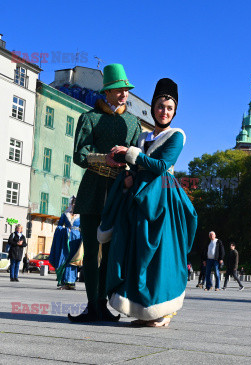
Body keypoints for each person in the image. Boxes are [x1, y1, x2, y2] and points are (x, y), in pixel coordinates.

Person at [98, 78, 197, 327]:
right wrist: (128, 176)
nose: (164, 112)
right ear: (153, 107)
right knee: (137, 253)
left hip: (162, 201)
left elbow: (162, 166)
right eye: (161, 106)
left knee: (160, 255)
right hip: (137, 199)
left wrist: (132, 154)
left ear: (175, 112)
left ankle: (162, 312)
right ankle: (143, 311)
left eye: (169, 108)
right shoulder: (143, 136)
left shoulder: (177, 135)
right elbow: (137, 167)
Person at [69, 63, 142, 322]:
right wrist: (104, 159)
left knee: (111, 253)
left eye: (126, 90)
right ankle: (93, 304)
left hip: (119, 193)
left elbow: (138, 157)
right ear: (107, 92)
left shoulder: (132, 122)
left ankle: (106, 303)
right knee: (91, 251)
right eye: (118, 90)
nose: (124, 94)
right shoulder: (88, 118)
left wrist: (130, 165)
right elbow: (79, 154)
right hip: (92, 191)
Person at [49, 196, 84, 290]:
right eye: (73, 203)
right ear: (71, 204)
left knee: (73, 260)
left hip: (76, 239)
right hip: (66, 239)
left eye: (77, 204)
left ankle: (71, 282)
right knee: (65, 259)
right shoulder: (65, 214)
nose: (74, 205)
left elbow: (84, 227)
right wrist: (64, 230)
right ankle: (64, 282)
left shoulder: (81, 215)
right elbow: (59, 226)